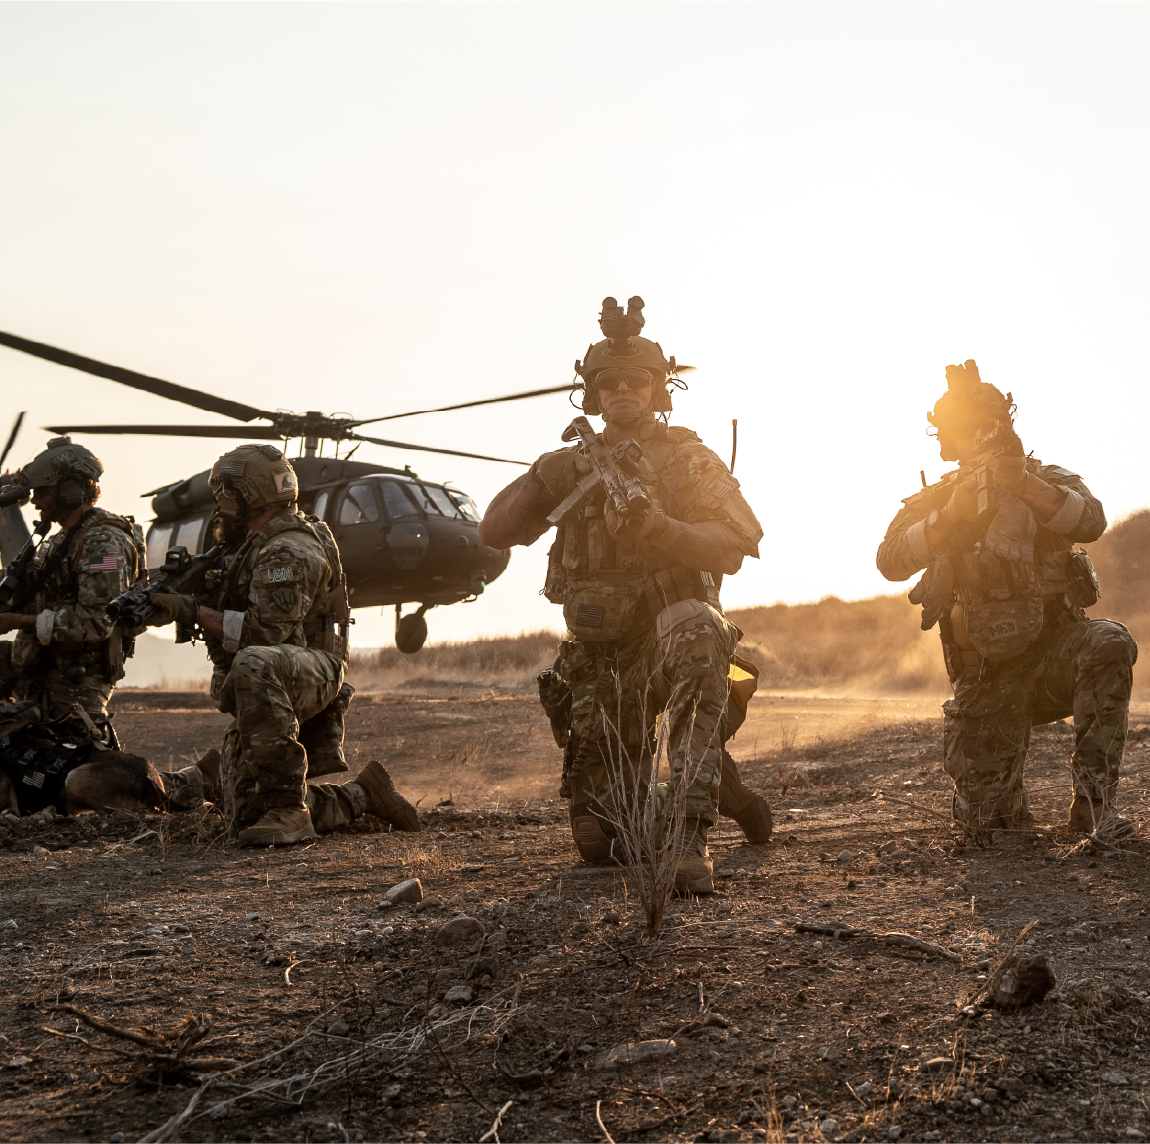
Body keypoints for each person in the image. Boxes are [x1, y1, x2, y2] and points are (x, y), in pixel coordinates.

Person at [479, 297, 765, 891]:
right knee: (604, 843)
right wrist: (543, 477)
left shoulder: (687, 458)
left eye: (637, 379)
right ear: (592, 394)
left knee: (698, 628)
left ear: (659, 388)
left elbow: (737, 544)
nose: (623, 390)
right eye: (609, 382)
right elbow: (493, 532)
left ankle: (690, 834)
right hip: (600, 661)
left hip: (669, 644)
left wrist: (661, 528)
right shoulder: (571, 464)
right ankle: (723, 788)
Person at [876, 359, 1137, 833]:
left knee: (1109, 641)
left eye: (949, 428)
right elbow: (889, 560)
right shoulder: (937, 499)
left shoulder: (1045, 478)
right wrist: (947, 518)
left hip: (1056, 659)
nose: (944, 438)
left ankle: (1094, 808)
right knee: (991, 828)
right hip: (986, 679)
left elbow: (1092, 521)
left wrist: (1024, 487)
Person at [146, 443, 421, 845]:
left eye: (224, 493)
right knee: (245, 818)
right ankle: (364, 794)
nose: (219, 504)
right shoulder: (251, 544)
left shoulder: (290, 548)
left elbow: (263, 634)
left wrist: (193, 611)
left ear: (247, 495)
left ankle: (290, 809)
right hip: (280, 667)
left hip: (312, 667)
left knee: (254, 662)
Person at [0, 436, 144, 740]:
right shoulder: (60, 540)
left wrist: (18, 622)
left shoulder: (104, 543)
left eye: (42, 492)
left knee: (61, 764)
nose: (35, 501)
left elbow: (96, 620)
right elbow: (38, 595)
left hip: (76, 681)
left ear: (70, 491)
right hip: (39, 664)